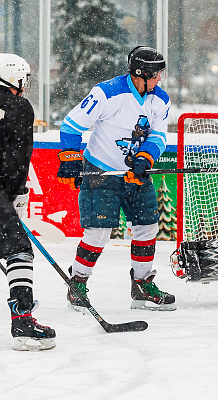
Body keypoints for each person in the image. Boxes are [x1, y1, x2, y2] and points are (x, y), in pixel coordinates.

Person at [57, 46, 175, 311]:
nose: (160, 79)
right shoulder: (107, 93)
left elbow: (158, 135)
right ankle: (78, 281)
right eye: (157, 74)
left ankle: (142, 285)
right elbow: (71, 125)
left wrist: (145, 158)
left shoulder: (160, 99)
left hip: (134, 175)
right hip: (101, 171)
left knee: (147, 227)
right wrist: (71, 159)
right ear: (140, 73)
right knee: (98, 233)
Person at [0, 53, 56, 351]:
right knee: (18, 249)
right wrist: (15, 197)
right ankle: (23, 323)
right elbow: (15, 160)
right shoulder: (17, 106)